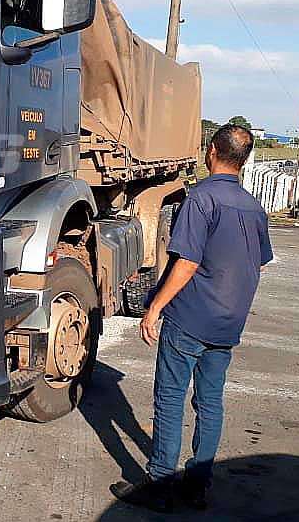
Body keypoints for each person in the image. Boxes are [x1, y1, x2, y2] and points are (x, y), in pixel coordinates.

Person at [110, 124, 273, 513]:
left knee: (170, 398)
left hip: (191, 317)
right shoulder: (253, 207)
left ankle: (161, 483)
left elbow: (186, 262)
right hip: (228, 321)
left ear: (212, 151)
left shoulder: (201, 199)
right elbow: (257, 265)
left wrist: (154, 308)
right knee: (210, 400)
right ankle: (198, 486)